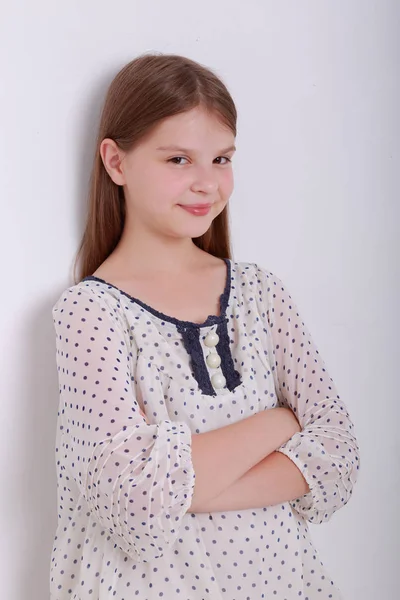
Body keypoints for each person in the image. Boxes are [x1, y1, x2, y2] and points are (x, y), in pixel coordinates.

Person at [50, 53, 360, 600]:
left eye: (220, 159)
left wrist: (179, 483)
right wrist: (281, 420)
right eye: (177, 160)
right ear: (116, 162)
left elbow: (338, 456)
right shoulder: (92, 312)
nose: (206, 184)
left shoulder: (260, 293)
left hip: (282, 583)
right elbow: (131, 505)